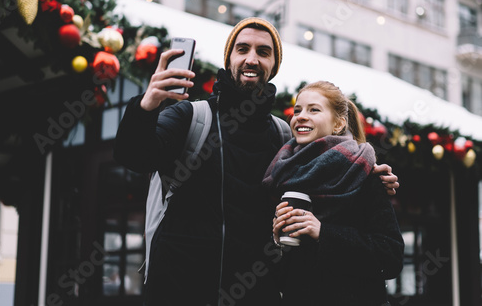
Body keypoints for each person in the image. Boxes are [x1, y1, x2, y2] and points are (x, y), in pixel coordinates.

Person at [114, 17, 399, 305]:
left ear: (273, 67)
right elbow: (134, 155)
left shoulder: (284, 136)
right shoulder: (191, 117)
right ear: (229, 59)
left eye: (263, 52)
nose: (252, 59)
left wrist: (366, 174)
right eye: (242, 49)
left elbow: (332, 166)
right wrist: (147, 105)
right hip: (179, 291)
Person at [264, 81, 404, 305]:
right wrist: (277, 241)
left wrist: (323, 232)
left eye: (314, 109)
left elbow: (391, 258)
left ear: (338, 124)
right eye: (297, 110)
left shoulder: (364, 175)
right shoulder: (282, 177)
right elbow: (281, 280)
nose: (300, 116)